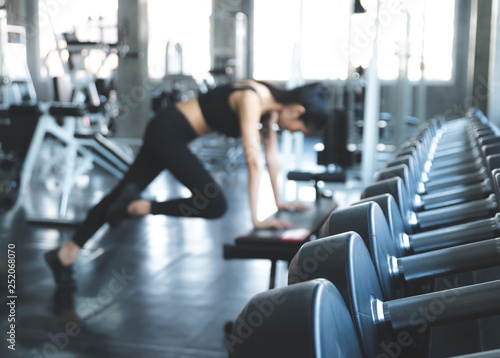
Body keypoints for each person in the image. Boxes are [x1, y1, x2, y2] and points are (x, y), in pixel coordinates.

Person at [44, 80, 331, 288]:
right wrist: (257, 220)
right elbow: (254, 160)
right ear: (296, 111)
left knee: (120, 194)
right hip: (169, 131)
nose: (296, 132)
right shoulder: (253, 99)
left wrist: (279, 202)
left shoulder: (268, 108)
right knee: (214, 202)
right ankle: (141, 206)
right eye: (302, 129)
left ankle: (65, 254)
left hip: (170, 132)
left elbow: (272, 157)